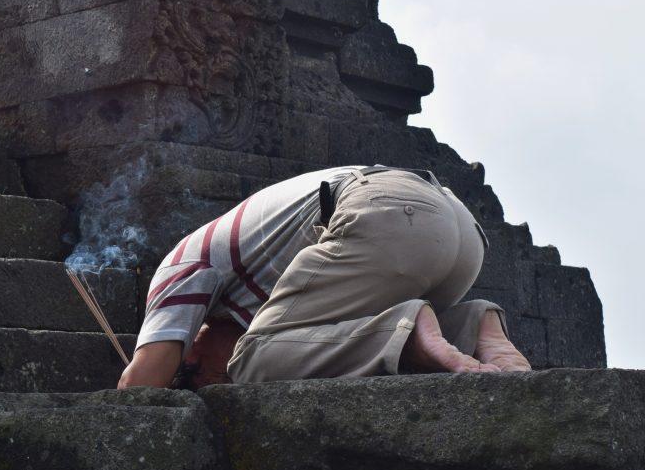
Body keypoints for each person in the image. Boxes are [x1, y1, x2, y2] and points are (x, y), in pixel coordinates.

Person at [117, 166, 531, 390]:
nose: (213, 384)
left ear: (190, 350)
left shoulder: (179, 265)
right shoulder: (274, 289)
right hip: (459, 230)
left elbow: (142, 382)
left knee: (253, 359)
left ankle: (408, 331)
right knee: (311, 349)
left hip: (385, 212)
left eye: (195, 378)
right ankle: (471, 327)